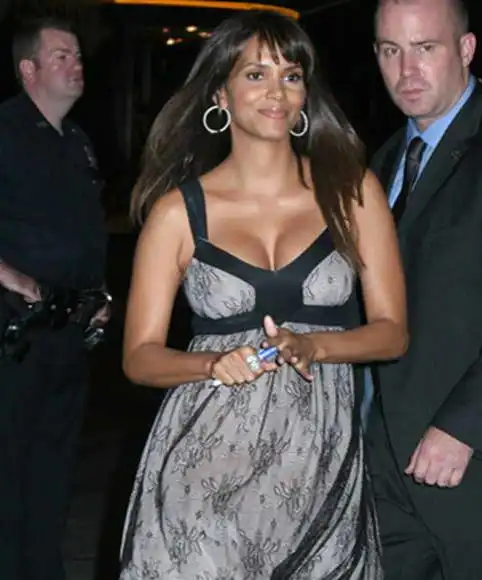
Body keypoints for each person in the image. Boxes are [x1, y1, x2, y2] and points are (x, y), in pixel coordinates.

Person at [120, 10, 407, 579]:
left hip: (317, 468)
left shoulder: (353, 192)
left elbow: (393, 333)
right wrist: (212, 364)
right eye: (255, 74)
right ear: (220, 95)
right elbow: (139, 358)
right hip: (205, 466)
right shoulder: (177, 213)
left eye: (291, 75)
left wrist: (316, 347)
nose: (277, 91)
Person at [366, 0, 482, 578]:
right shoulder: (383, 161)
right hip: (384, 467)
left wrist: (464, 426)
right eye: (390, 50)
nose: (407, 71)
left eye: (426, 48)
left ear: (466, 50)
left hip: (474, 470)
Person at [0, 17, 109, 580]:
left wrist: (98, 295)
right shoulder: (5, 131)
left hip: (67, 335)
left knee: (53, 473)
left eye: (78, 55)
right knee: (9, 475)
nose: (76, 64)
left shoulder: (77, 141)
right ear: (29, 69)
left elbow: (82, 231)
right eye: (62, 55)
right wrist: (13, 279)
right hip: (14, 334)